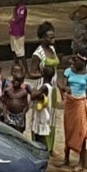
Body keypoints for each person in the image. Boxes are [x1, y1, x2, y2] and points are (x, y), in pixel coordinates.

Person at [58, 51, 87, 171]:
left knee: (81, 131)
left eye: (76, 60)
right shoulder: (68, 71)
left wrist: (82, 96)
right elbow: (62, 84)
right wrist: (65, 88)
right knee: (68, 129)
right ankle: (66, 158)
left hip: (80, 104)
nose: (74, 62)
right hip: (69, 103)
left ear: (84, 61)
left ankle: (81, 161)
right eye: (73, 59)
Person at [30, 24, 60, 154]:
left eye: (53, 36)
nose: (53, 39)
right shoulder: (38, 53)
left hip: (53, 87)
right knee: (41, 117)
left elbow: (55, 70)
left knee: (51, 118)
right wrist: (44, 74)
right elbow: (31, 73)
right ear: (42, 38)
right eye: (49, 37)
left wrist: (60, 87)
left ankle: (50, 147)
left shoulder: (52, 49)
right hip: (42, 88)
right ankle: (38, 145)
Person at [30, 67, 55, 146]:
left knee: (40, 136)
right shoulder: (50, 85)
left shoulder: (44, 87)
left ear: (43, 74)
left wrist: (32, 90)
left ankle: (44, 151)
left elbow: (32, 96)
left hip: (42, 114)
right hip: (43, 112)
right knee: (38, 134)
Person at [2, 66, 31, 133]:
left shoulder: (24, 92)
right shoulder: (8, 91)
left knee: (18, 133)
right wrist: (5, 117)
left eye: (18, 81)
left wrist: (21, 117)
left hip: (19, 117)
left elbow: (26, 106)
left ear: (21, 82)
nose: (16, 82)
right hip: (9, 116)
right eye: (15, 80)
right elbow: (4, 103)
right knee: (8, 132)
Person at [9, 0, 28, 68]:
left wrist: (14, 12)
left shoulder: (22, 8)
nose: (11, 1)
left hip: (18, 34)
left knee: (20, 52)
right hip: (13, 32)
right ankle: (16, 66)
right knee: (14, 51)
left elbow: (17, 19)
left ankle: (26, 70)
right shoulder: (16, 8)